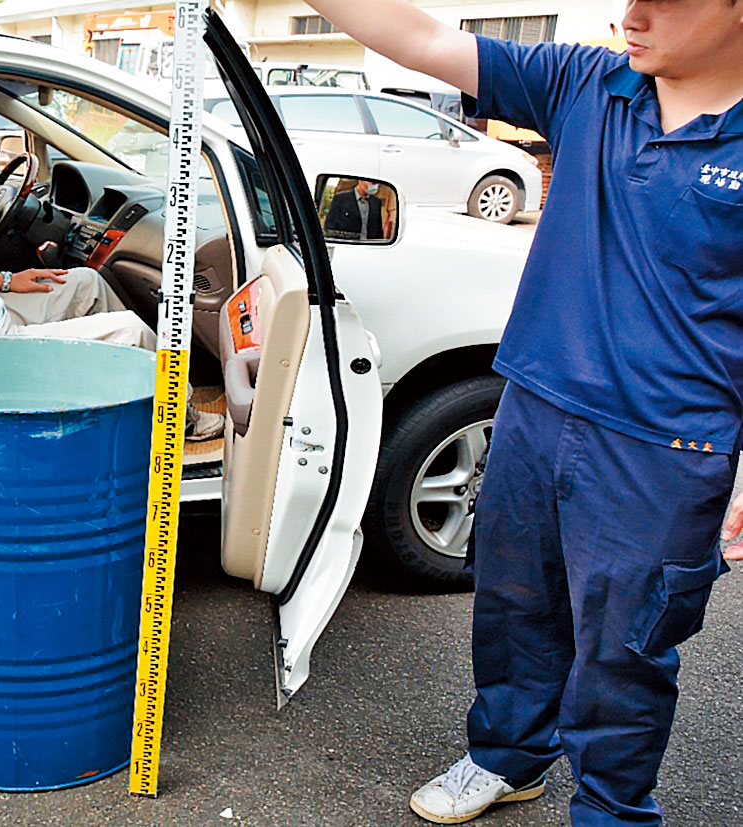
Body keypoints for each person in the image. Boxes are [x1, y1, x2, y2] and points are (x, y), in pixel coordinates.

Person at [296, 0, 743, 824]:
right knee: (513, 604)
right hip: (538, 403)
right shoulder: (589, 82)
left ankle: (611, 807)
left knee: (625, 646)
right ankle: (508, 756)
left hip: (666, 442)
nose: (633, 15)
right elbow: (421, 38)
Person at [0, 102, 224, 442]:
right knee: (130, 331)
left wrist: (9, 281)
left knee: (87, 282)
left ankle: (128, 393)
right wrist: (23, 374)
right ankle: (178, 419)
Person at [323, 179, 387, 240]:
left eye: (378, 185)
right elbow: (330, 226)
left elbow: (378, 229)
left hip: (369, 245)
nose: (375, 187)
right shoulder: (341, 199)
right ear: (361, 181)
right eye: (373, 183)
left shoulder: (376, 202)